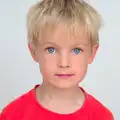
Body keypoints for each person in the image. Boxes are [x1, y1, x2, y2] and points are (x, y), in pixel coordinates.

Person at [0, 0, 114, 119]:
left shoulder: (101, 116)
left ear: (92, 53)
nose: (64, 63)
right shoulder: (13, 114)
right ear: (33, 51)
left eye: (76, 50)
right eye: (51, 50)